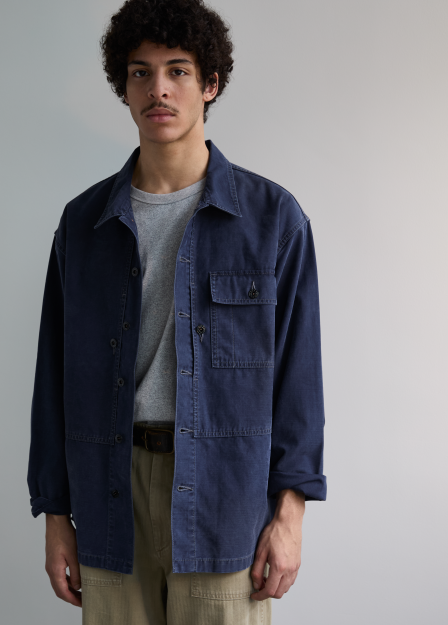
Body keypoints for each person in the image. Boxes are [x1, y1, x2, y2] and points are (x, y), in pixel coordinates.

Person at [27, 0, 327, 623]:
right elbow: (52, 377)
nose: (158, 89)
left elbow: (299, 380)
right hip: (109, 494)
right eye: (140, 72)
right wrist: (55, 514)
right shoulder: (82, 224)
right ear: (124, 86)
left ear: (210, 83)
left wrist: (290, 514)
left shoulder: (273, 220)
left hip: (225, 499)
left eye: (178, 71)